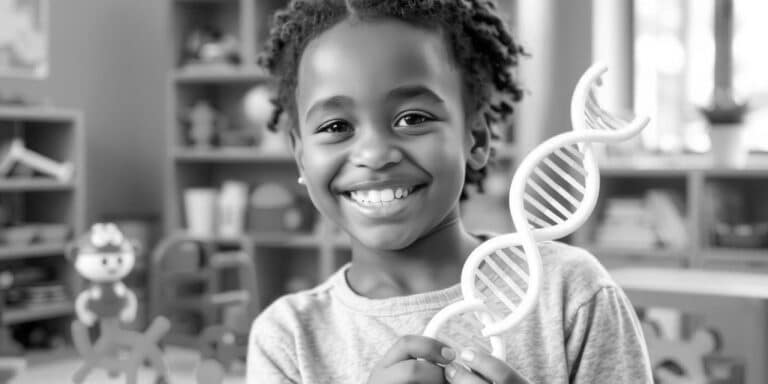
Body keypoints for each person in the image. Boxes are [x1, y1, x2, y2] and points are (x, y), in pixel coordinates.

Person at [247, 0, 653, 383]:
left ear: (476, 139)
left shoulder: (571, 293)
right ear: (301, 158)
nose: (374, 154)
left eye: (412, 118)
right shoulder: (286, 339)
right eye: (336, 127)